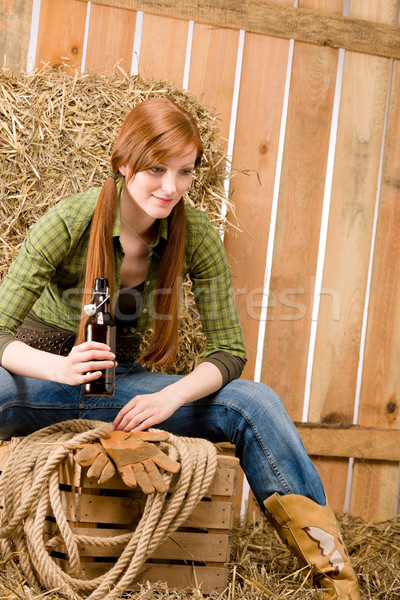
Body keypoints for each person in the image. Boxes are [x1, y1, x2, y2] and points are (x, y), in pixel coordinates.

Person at [0, 97, 359, 599]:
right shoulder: (70, 220)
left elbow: (230, 350)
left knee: (255, 402)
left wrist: (172, 398)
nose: (171, 187)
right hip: (35, 382)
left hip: (115, 390)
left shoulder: (195, 236)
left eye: (185, 172)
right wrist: (60, 368)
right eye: (155, 169)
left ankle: (338, 582)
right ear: (124, 163)